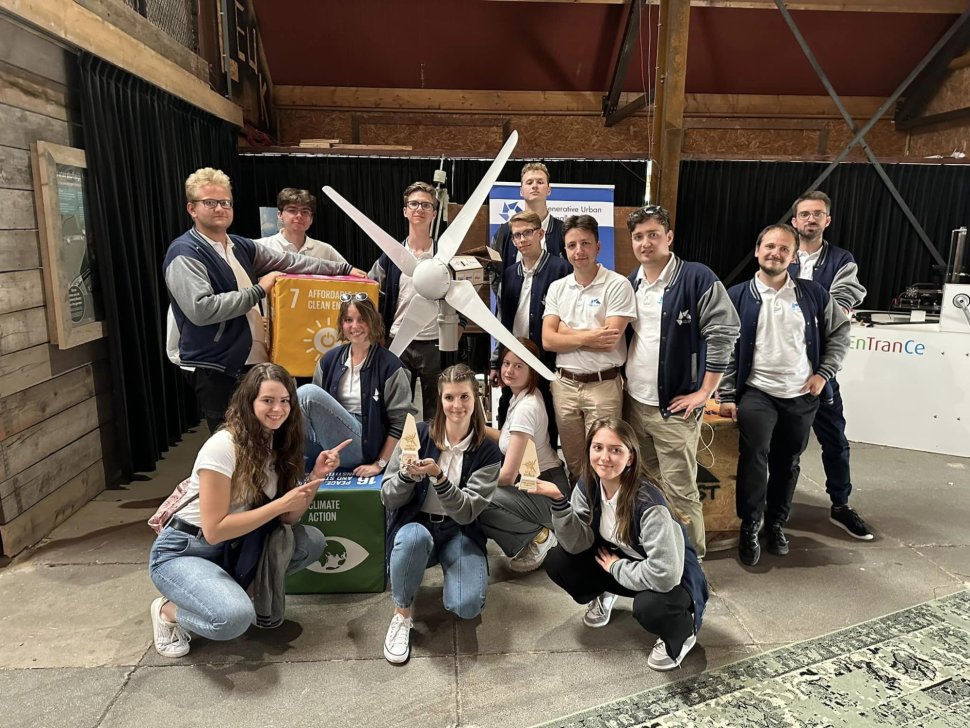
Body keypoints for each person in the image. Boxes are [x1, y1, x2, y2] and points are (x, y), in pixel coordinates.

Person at [147, 363, 349, 658]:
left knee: (311, 541)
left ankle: (231, 593)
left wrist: (317, 476)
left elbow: (288, 519)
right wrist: (280, 503)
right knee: (231, 620)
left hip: (236, 547)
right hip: (186, 550)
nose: (277, 409)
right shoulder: (223, 446)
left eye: (284, 401)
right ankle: (168, 611)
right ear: (249, 402)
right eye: (267, 400)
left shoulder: (280, 445)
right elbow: (214, 531)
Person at [163, 168, 366, 433]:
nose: (219, 208)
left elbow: (291, 261)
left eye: (225, 202)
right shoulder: (185, 252)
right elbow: (202, 309)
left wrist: (343, 269)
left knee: (262, 437)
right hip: (219, 368)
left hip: (253, 363)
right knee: (231, 441)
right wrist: (259, 290)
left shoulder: (238, 246)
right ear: (192, 208)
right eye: (210, 202)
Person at [718, 224, 850, 567]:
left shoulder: (814, 295)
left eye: (784, 249)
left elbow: (839, 333)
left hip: (801, 395)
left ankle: (776, 523)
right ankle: (750, 524)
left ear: (793, 257)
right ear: (758, 250)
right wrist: (728, 393)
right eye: (770, 246)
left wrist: (824, 373)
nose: (776, 253)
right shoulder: (736, 296)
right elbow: (725, 348)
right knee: (754, 458)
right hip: (757, 393)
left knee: (787, 462)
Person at [537, 418, 708, 672]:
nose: (604, 457)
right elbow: (576, 544)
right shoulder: (588, 484)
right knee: (558, 560)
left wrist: (616, 568)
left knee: (650, 607)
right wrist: (559, 501)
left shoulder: (649, 503)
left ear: (630, 458)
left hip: (675, 578)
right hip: (621, 560)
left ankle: (681, 633)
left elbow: (664, 575)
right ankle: (606, 593)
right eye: (598, 447)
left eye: (615, 449)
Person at [623, 205, 740, 560]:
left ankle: (691, 560)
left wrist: (705, 391)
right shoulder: (632, 282)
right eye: (639, 236)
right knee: (647, 483)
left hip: (673, 408)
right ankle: (659, 550)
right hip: (635, 403)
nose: (646, 243)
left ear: (669, 237)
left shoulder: (696, 278)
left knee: (681, 489)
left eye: (653, 234)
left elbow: (724, 330)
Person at [380, 364, 501, 664]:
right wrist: (407, 477)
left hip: (458, 531)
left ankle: (453, 571)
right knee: (413, 539)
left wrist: (439, 478)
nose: (456, 405)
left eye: (464, 397)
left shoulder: (487, 450)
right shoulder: (417, 434)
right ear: (440, 400)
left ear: (478, 400)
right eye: (449, 398)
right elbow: (386, 496)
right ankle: (401, 614)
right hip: (417, 525)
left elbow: (467, 512)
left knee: (466, 605)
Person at [789, 191, 873, 540]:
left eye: (817, 214)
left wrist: (793, 313)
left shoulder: (842, 260)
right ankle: (774, 507)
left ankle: (840, 505)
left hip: (822, 371)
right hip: (781, 372)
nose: (810, 219)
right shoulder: (782, 255)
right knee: (783, 447)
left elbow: (842, 303)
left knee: (834, 440)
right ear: (794, 221)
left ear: (828, 221)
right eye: (805, 214)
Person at [542, 214, 636, 481]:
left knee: (605, 460)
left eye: (585, 243)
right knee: (574, 460)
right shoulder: (558, 288)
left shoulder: (618, 285)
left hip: (603, 387)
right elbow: (548, 341)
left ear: (598, 246)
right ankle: (582, 513)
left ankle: (604, 515)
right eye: (572, 245)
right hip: (565, 387)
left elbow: (609, 341)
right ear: (565, 250)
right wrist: (589, 336)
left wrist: (566, 332)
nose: (579, 251)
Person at [368, 181, 460, 420]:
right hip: (399, 340)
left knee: (436, 411)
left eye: (426, 205)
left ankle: (432, 454)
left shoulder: (445, 256)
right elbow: (371, 293)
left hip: (434, 344)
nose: (419, 209)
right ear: (405, 210)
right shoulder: (391, 256)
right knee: (397, 410)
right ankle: (397, 455)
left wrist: (457, 328)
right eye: (414, 204)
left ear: (434, 213)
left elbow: (462, 293)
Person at [297, 294, 415, 477]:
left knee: (307, 393)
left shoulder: (390, 366)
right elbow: (309, 413)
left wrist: (379, 464)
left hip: (363, 446)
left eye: (362, 319)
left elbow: (402, 422)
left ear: (372, 321)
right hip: (326, 445)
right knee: (291, 402)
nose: (355, 326)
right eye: (348, 320)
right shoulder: (329, 360)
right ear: (341, 324)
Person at [479, 340, 571, 572]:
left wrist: (471, 477)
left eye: (519, 366)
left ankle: (539, 537)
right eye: (506, 363)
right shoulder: (520, 396)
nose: (509, 371)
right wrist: (473, 428)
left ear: (532, 370)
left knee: (478, 500)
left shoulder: (526, 408)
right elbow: (507, 438)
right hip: (537, 483)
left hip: (546, 491)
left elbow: (508, 476)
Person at [488, 209, 571, 436]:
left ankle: (546, 469)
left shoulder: (561, 269)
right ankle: (509, 466)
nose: (522, 239)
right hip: (513, 356)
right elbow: (501, 319)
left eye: (527, 233)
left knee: (546, 420)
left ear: (540, 233)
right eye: (517, 235)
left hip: (545, 360)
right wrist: (497, 362)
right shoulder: (509, 273)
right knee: (508, 415)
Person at [490, 161, 567, 276]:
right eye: (529, 182)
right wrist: (504, 293)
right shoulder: (505, 231)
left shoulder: (563, 230)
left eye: (540, 182)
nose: (534, 186)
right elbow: (494, 272)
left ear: (549, 190)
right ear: (521, 191)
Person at [256, 187, 351, 265]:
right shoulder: (261, 247)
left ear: (311, 219)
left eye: (305, 211)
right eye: (292, 210)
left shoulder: (326, 251)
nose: (299, 216)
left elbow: (352, 276)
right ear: (280, 215)